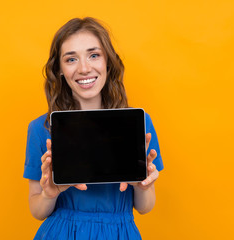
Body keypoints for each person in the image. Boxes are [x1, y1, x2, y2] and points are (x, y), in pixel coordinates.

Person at [23, 17, 164, 240]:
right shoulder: (41, 129)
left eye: (94, 55)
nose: (84, 68)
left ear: (107, 61)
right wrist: (49, 194)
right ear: (59, 69)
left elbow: (145, 207)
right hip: (61, 234)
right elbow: (37, 210)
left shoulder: (138, 124)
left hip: (120, 233)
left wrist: (143, 186)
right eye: (71, 59)